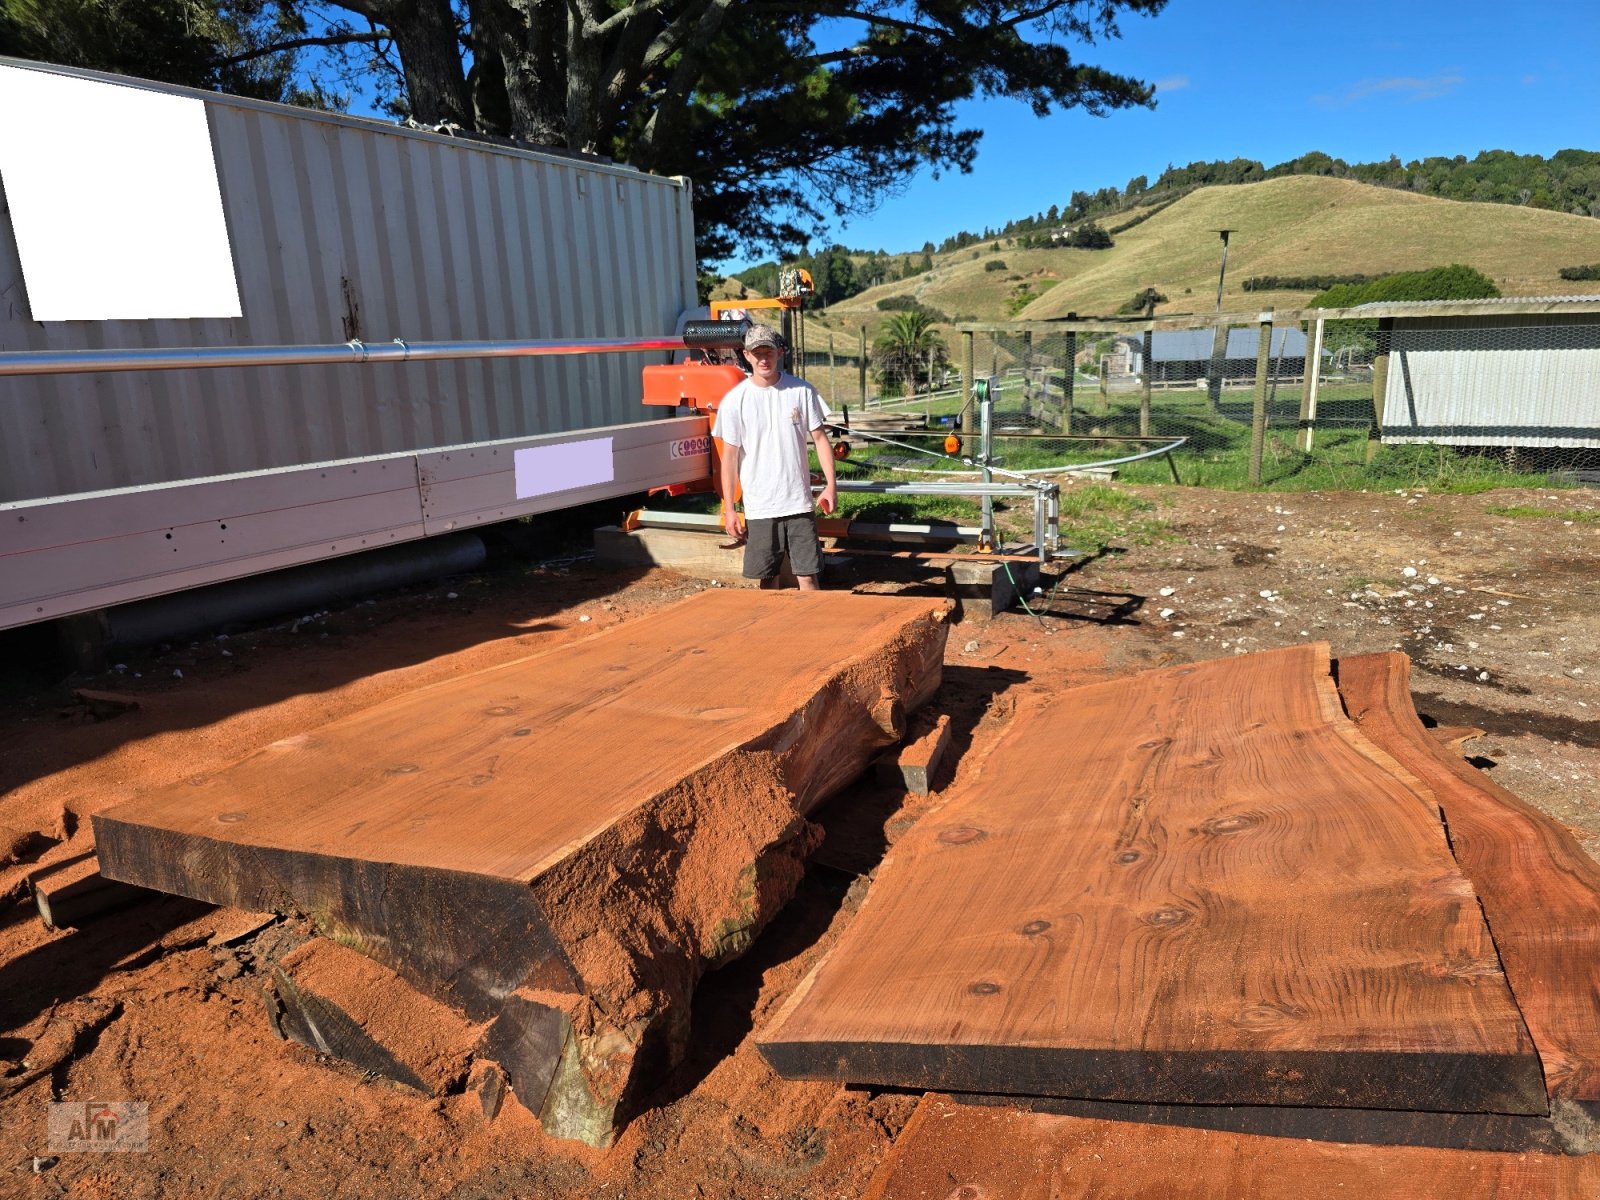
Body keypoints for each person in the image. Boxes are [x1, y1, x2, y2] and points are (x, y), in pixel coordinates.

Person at [712, 324, 838, 590]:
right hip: (760, 507)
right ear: (746, 355)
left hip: (799, 503)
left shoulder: (801, 391)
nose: (763, 359)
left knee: (807, 575)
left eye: (768, 351)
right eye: (757, 353)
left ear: (779, 352)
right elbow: (730, 459)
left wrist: (830, 486)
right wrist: (730, 510)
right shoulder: (735, 401)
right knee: (767, 578)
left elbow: (820, 439)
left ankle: (814, 630)